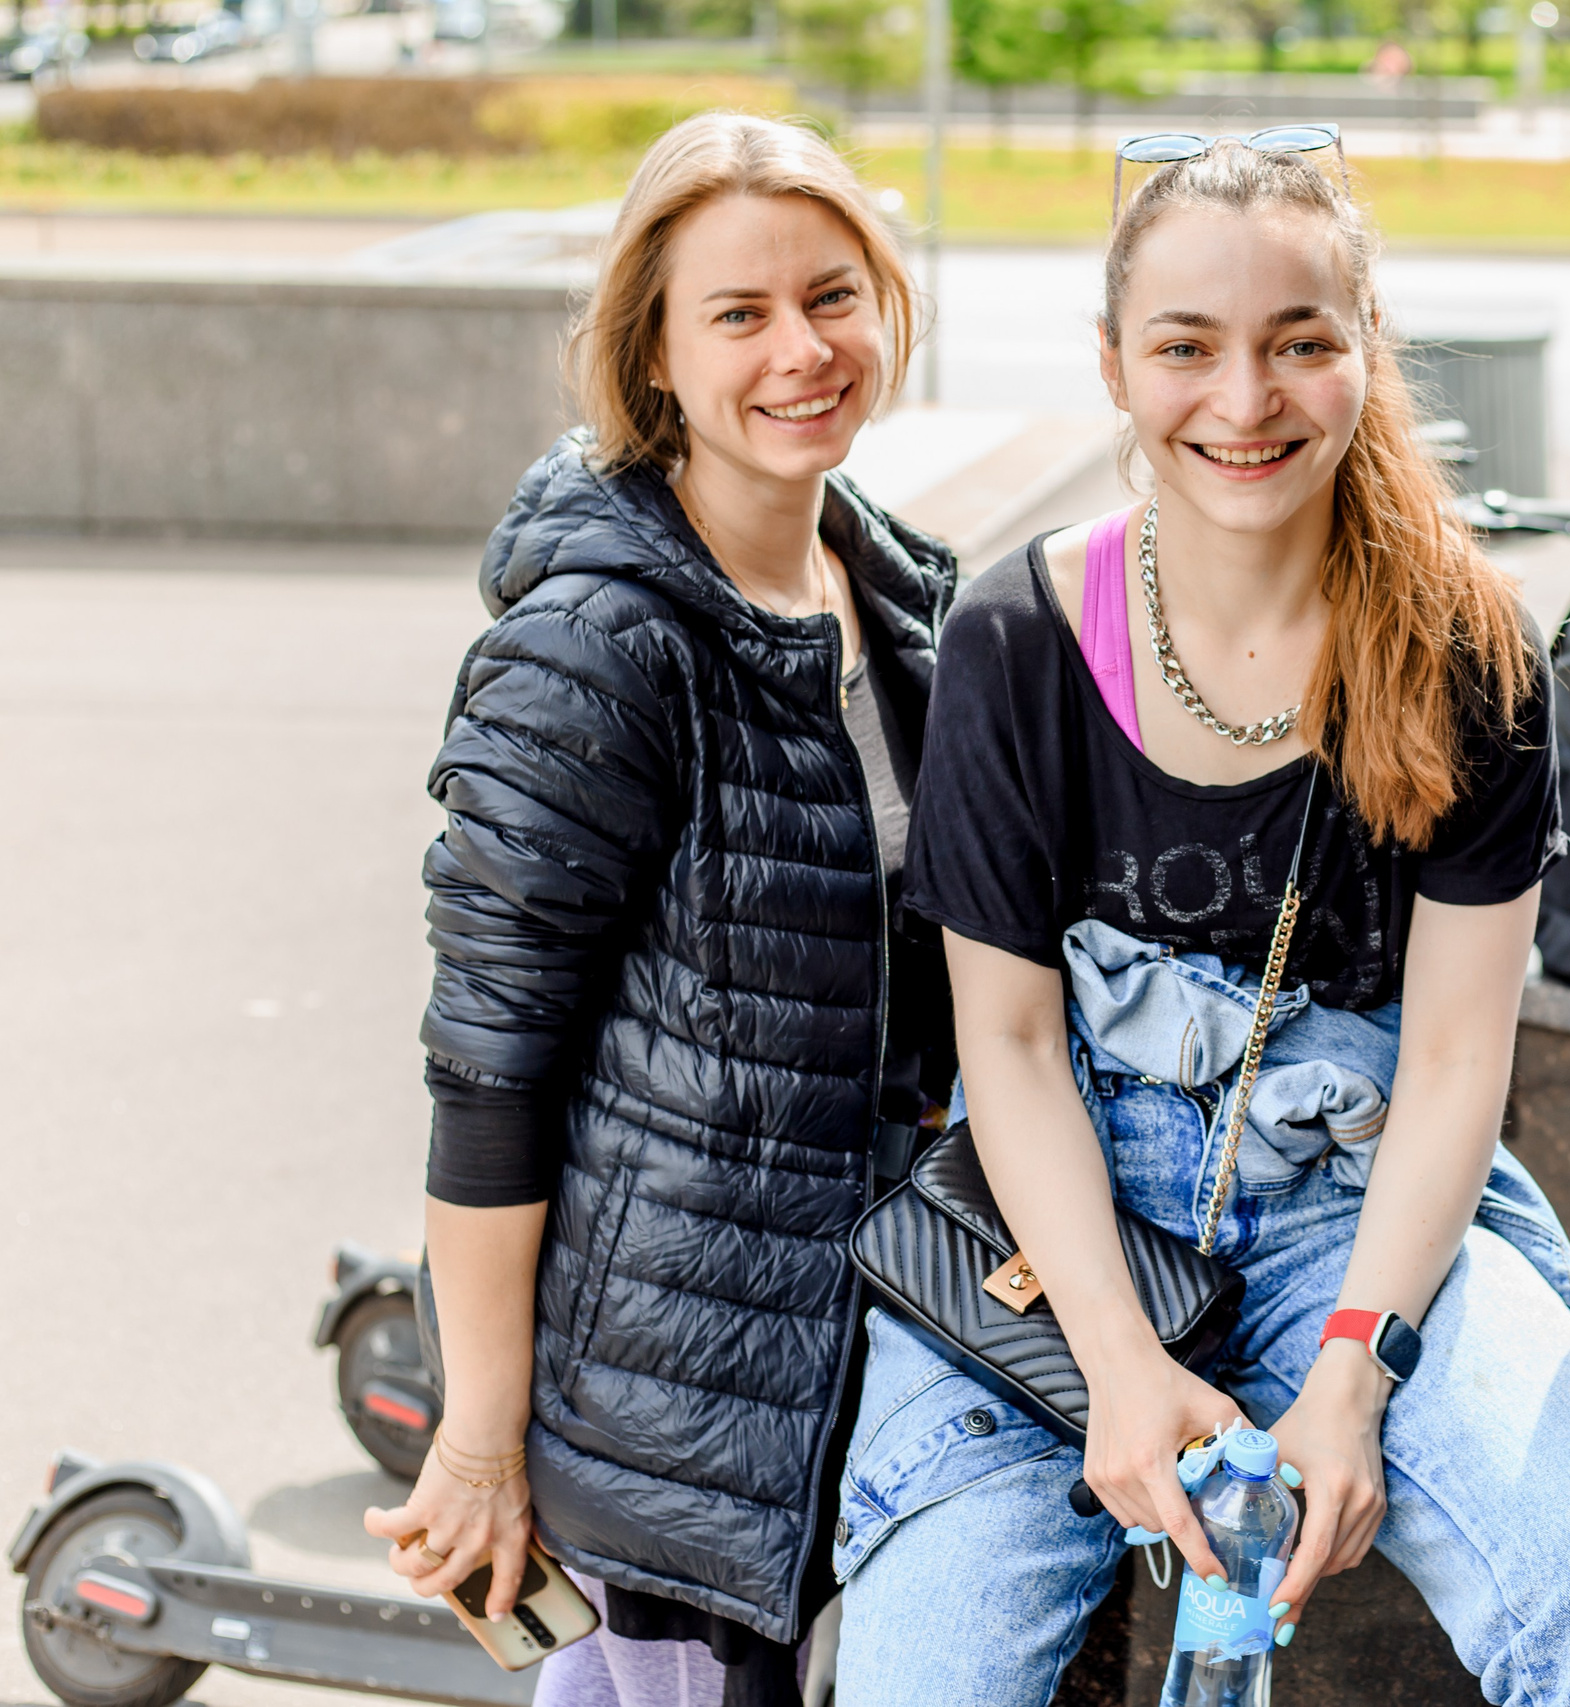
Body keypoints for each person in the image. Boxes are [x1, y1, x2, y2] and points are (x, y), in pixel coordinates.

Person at [828, 138, 1570, 1705]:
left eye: (1301, 341)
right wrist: (1114, 1357)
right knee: (929, 1672)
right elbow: (1014, 1047)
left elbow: (1453, 1063)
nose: (1246, 400)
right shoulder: (1018, 635)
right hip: (1059, 1216)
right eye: (1186, 347)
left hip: (1359, 1198)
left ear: (1365, 352)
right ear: (1114, 365)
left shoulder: (1467, 645)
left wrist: (1355, 1368)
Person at [362, 112, 957, 1707]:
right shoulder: (597, 648)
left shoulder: (908, 597)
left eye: (834, 296)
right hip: (685, 1414)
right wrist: (480, 1436)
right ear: (654, 356)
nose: (801, 350)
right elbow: (489, 1073)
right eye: (740, 314)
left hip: (876, 1350)